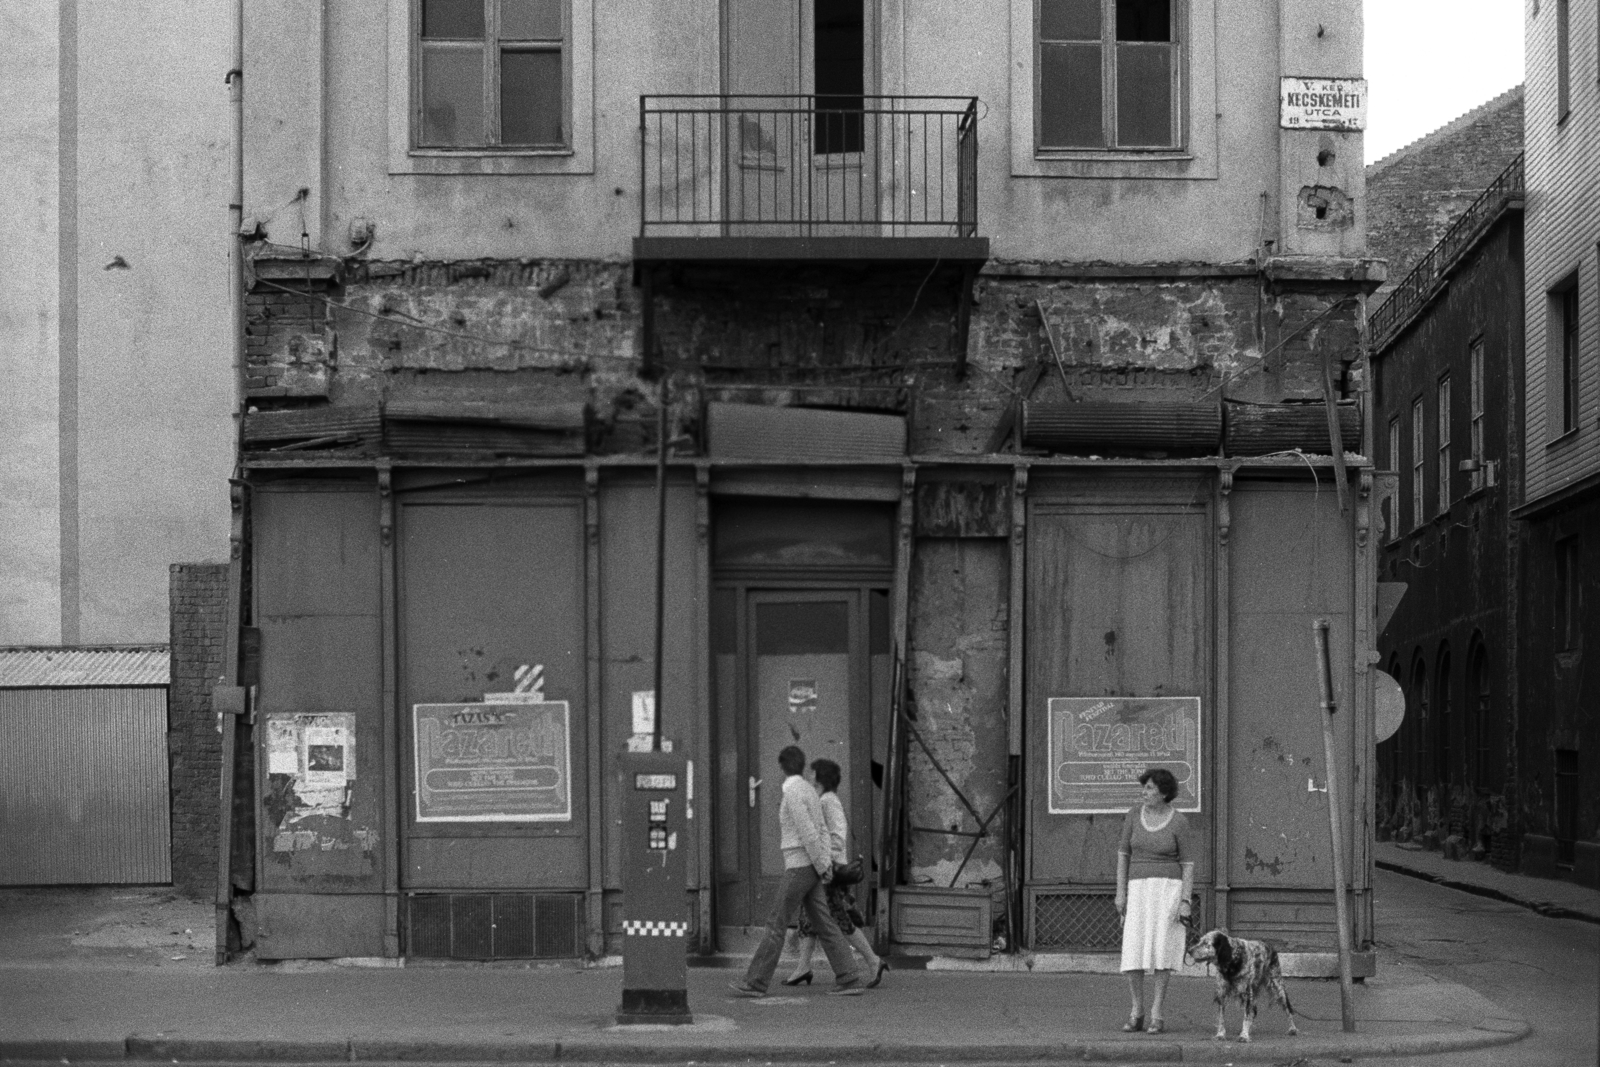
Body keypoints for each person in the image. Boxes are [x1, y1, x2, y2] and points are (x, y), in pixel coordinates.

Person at [728, 745, 866, 997]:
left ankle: (756, 982)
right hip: (811, 866)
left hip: (799, 866)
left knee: (776, 922)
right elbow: (822, 831)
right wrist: (823, 865)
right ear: (802, 766)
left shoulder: (792, 793)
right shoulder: (809, 792)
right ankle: (849, 977)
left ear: (782, 767)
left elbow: (808, 833)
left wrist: (823, 865)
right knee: (824, 922)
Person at [783, 759, 886, 988]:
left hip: (830, 873)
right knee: (808, 918)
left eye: (812, 774)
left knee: (840, 920)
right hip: (821, 871)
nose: (808, 777)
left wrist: (824, 864)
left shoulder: (829, 801)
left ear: (820, 778)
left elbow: (837, 838)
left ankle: (873, 960)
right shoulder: (822, 800)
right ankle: (802, 968)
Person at [1114, 767, 1193, 1035]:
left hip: (1168, 891)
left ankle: (1157, 1013)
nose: (1144, 792)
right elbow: (1123, 854)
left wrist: (1185, 901)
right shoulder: (1134, 816)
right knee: (1133, 950)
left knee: (1162, 951)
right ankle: (1137, 1011)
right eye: (1144, 787)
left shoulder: (1180, 822)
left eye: (1149, 788)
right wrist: (1120, 892)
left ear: (1163, 793)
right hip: (1137, 890)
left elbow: (1188, 864)